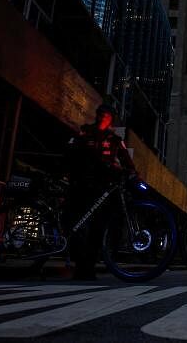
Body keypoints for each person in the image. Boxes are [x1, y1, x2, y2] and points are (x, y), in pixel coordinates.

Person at [66, 104, 136, 280]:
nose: (102, 118)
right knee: (76, 223)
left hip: (103, 188)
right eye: (100, 114)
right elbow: (72, 153)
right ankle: (79, 262)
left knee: (99, 227)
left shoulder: (114, 139)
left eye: (106, 115)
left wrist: (129, 172)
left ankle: (88, 265)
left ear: (111, 118)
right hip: (82, 185)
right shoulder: (85, 132)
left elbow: (127, 161)